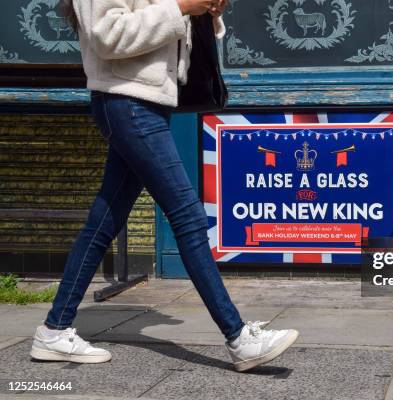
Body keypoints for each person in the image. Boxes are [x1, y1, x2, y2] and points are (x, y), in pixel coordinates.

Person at [29, 0, 298, 373]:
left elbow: (171, 43)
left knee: (104, 221)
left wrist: (206, 13)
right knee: (187, 216)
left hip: (148, 104)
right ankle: (240, 339)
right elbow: (107, 36)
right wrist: (183, 6)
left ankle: (54, 330)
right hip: (127, 103)